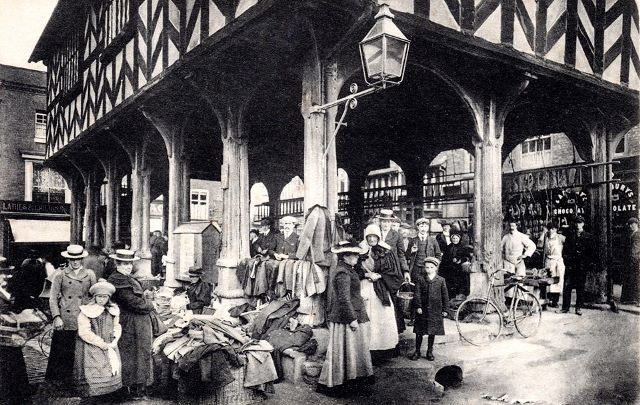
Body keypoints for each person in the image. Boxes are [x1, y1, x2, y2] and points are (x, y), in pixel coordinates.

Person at [317, 240, 374, 395]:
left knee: (353, 351)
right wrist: (352, 319)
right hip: (347, 317)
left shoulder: (349, 269)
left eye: (357, 254)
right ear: (345, 256)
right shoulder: (343, 272)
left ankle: (352, 382)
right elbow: (343, 298)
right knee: (348, 351)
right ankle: (344, 384)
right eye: (354, 255)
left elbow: (350, 294)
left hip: (353, 312)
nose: (356, 257)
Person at [46, 245, 97, 388]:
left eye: (78, 259)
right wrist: (56, 317)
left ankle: (80, 380)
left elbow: (94, 296)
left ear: (82, 259)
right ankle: (60, 383)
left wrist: (93, 313)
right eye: (72, 259)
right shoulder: (60, 275)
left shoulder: (90, 274)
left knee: (82, 349)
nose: (75, 262)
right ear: (68, 259)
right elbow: (53, 298)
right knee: (63, 351)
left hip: (83, 316)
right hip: (66, 317)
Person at [107, 249, 154, 400]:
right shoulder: (117, 279)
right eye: (124, 264)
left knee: (140, 353)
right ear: (117, 264)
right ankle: (130, 388)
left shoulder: (126, 278)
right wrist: (150, 304)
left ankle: (138, 386)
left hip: (137, 322)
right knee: (131, 354)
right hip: (129, 322)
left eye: (129, 264)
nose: (128, 267)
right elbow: (132, 302)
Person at [72, 279, 122, 398]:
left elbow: (117, 326)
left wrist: (115, 340)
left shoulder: (112, 310)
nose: (102, 299)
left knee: (111, 367)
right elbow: (84, 332)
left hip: (109, 344)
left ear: (108, 298)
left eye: (104, 297)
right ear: (94, 297)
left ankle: (108, 395)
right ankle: (94, 396)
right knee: (96, 368)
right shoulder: (86, 311)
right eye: (99, 297)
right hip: (92, 345)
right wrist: (100, 343)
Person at [358, 224, 402, 358]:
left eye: (374, 236)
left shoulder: (386, 251)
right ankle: (366, 350)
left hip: (381, 288)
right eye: (369, 236)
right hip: (364, 286)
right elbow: (354, 269)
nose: (371, 239)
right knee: (366, 317)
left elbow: (393, 271)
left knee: (382, 319)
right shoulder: (360, 250)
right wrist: (366, 275)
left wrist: (380, 276)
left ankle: (383, 351)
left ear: (378, 237)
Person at [0, 256, 32, 405]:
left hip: (9, 338)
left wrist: (20, 315)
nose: (4, 277)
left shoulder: (7, 290)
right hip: (3, 339)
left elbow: (16, 306)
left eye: (5, 274)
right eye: (1, 274)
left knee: (13, 369)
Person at [410, 257, 449, 361]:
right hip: (422, 310)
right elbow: (417, 293)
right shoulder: (420, 279)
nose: (429, 269)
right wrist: (418, 306)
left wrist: (445, 309)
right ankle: (417, 351)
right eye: (427, 267)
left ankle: (429, 351)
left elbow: (445, 296)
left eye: (431, 267)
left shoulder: (441, 280)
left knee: (432, 331)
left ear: (436, 268)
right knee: (419, 331)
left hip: (435, 310)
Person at [562, 216, 593, 315]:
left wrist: (586, 263)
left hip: (581, 266)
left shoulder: (588, 236)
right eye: (576, 223)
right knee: (567, 286)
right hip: (571, 265)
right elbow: (565, 250)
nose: (578, 225)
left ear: (583, 224)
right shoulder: (570, 235)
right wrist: (566, 261)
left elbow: (591, 252)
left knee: (580, 287)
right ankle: (565, 307)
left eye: (580, 223)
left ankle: (578, 307)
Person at [538, 222, 566, 309]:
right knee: (546, 280)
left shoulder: (561, 238)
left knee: (556, 281)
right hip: (548, 261)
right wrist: (543, 234)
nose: (551, 230)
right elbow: (539, 245)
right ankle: (546, 300)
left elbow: (567, 247)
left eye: (553, 229)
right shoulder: (545, 237)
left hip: (557, 261)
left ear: (556, 229)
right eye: (549, 229)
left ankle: (555, 301)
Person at [405, 218, 442, 283]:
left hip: (429, 269)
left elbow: (438, 255)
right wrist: (411, 251)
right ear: (418, 227)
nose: (423, 229)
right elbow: (406, 256)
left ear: (428, 228)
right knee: (416, 287)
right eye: (421, 226)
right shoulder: (413, 240)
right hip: (416, 269)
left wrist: (435, 266)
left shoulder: (433, 240)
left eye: (425, 226)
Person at [440, 231, 471, 299]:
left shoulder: (462, 247)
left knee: (459, 283)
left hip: (459, 269)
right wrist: (450, 260)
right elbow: (445, 258)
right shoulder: (448, 247)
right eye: (453, 238)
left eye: (456, 238)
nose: (455, 240)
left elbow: (466, 257)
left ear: (459, 239)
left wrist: (460, 260)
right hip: (449, 269)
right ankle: (450, 298)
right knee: (450, 284)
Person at [377, 209, 409, 274]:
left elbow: (401, 254)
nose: (386, 224)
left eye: (388, 222)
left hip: (392, 267)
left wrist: (405, 271)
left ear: (392, 222)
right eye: (384, 221)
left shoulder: (397, 235)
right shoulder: (375, 233)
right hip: (377, 266)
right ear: (380, 222)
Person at [622, 217, 640, 305]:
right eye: (630, 225)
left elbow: (635, 248)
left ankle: (636, 299)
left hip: (635, 260)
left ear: (636, 224)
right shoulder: (632, 233)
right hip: (631, 259)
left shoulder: (638, 234)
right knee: (631, 279)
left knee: (636, 279)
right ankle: (631, 298)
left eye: (632, 224)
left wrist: (632, 259)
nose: (630, 226)